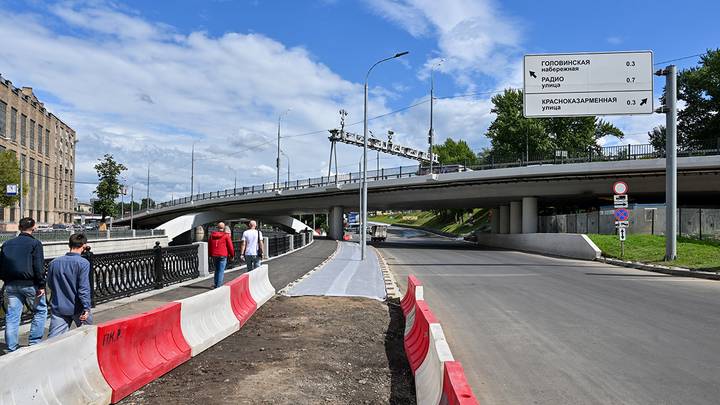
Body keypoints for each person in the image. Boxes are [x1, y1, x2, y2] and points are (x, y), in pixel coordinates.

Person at [0, 217, 47, 352]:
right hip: (30, 284)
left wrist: (6, 280)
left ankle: (11, 348)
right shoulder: (35, 244)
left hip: (11, 284)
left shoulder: (7, 244)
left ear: (19, 228)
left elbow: (1, 265)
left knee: (12, 315)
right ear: (33, 228)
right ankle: (34, 343)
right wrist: (42, 285)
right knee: (40, 311)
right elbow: (38, 266)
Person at [47, 233, 92, 338]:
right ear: (84, 246)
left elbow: (50, 283)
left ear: (69, 245)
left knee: (54, 340)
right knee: (88, 336)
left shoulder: (54, 263)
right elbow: (83, 288)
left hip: (59, 306)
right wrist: (86, 308)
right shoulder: (83, 263)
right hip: (78, 307)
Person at [208, 222, 234, 288]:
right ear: (224, 228)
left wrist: (210, 255)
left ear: (217, 227)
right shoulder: (226, 235)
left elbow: (210, 246)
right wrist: (232, 255)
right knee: (221, 271)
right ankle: (218, 286)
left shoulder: (212, 235)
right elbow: (230, 246)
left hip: (214, 255)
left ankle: (216, 284)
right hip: (223, 255)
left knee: (216, 270)